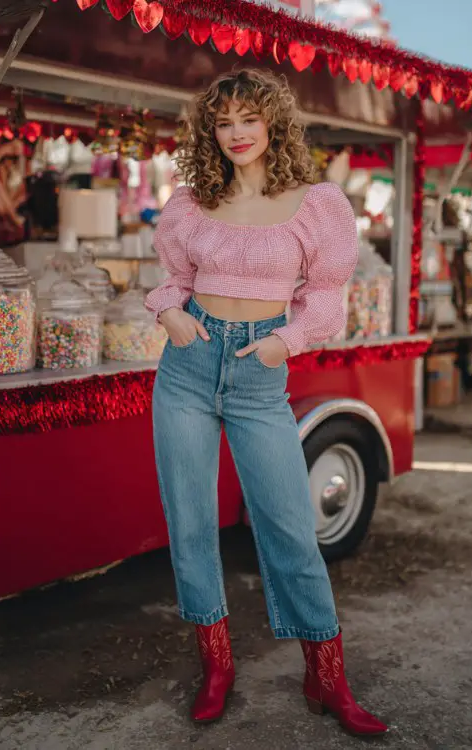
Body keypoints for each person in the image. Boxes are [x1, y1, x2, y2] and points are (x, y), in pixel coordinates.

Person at [146, 68, 387, 737]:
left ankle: (329, 677)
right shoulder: (192, 202)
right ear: (210, 131)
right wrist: (169, 313)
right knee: (191, 524)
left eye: (248, 119)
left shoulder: (316, 204)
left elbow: (327, 298)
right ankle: (217, 667)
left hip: (259, 378)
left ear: (273, 121)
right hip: (188, 371)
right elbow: (171, 278)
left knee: (289, 527)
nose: (236, 134)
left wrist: (288, 340)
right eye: (223, 123)